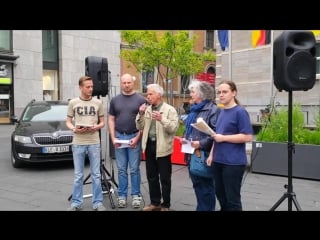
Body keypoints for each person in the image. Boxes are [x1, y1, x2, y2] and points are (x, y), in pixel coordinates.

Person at [209, 80, 253, 211]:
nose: (221, 95)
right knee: (220, 195)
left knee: (232, 199)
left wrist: (224, 138)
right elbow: (217, 135)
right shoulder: (221, 111)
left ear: (234, 93)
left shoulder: (240, 112)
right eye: (219, 92)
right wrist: (211, 154)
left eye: (225, 92)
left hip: (233, 163)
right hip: (218, 160)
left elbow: (247, 136)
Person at [66, 76, 106, 211]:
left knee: (96, 174)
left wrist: (96, 127)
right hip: (78, 142)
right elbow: (68, 121)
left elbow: (102, 122)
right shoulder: (73, 102)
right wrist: (74, 129)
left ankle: (98, 203)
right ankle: (76, 203)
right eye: (88, 87)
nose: (91, 89)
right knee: (78, 175)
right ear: (80, 87)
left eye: (92, 86)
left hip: (94, 141)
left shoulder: (98, 103)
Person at [136, 83, 179, 211]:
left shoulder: (169, 109)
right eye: (147, 94)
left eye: (150, 94)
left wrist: (162, 119)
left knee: (165, 178)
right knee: (151, 176)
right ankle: (155, 203)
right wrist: (140, 114)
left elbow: (174, 129)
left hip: (163, 147)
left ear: (159, 95)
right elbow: (139, 126)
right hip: (149, 145)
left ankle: (166, 204)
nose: (147, 96)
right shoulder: (147, 109)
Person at [108, 73, 146, 209]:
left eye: (128, 82)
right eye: (124, 83)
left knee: (134, 169)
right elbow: (111, 119)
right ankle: (122, 196)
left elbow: (144, 122)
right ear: (121, 83)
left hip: (134, 136)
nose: (126, 85)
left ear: (133, 83)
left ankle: (136, 195)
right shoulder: (115, 100)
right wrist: (113, 137)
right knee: (121, 169)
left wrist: (137, 138)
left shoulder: (141, 100)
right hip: (119, 137)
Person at [182, 80, 219, 211]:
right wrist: (185, 138)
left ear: (202, 94)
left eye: (193, 91)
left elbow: (214, 134)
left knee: (206, 188)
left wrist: (200, 143)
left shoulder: (212, 109)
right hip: (191, 153)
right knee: (198, 187)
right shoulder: (194, 110)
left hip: (204, 154)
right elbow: (190, 130)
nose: (190, 94)